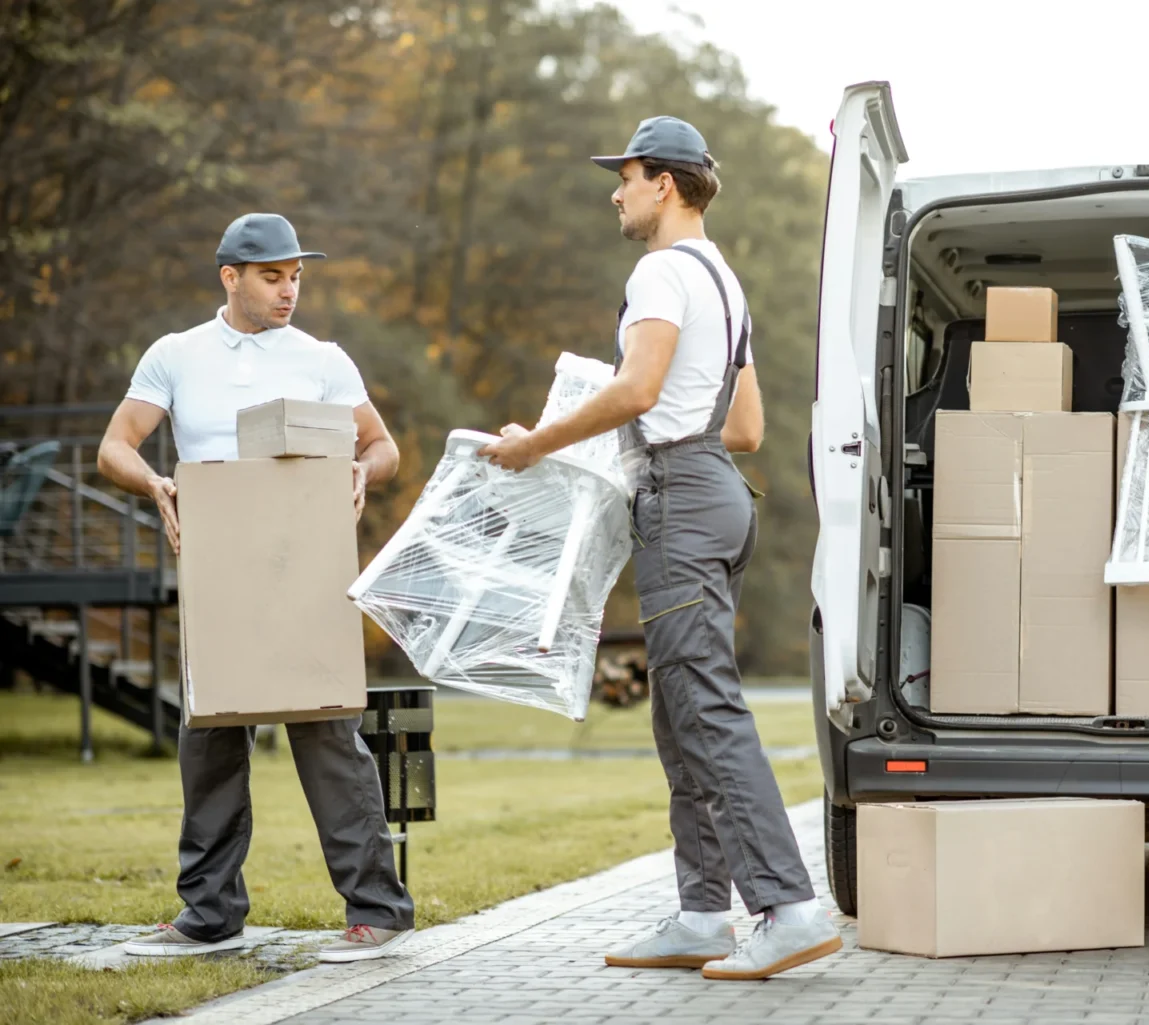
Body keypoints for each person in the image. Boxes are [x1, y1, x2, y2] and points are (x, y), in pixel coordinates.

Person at [479, 116, 840, 981]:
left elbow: (638, 387)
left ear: (665, 185)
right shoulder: (724, 282)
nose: (618, 190)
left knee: (704, 706)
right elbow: (747, 427)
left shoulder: (658, 272)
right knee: (679, 711)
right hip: (717, 489)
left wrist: (538, 443)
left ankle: (787, 907)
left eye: (628, 176)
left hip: (680, 498)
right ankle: (703, 912)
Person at [99, 213, 416, 963]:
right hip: (218, 571)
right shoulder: (177, 355)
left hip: (307, 569)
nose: (289, 289)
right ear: (230, 277)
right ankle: (209, 915)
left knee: (329, 734)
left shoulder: (322, 360)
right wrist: (154, 482)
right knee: (207, 738)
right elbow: (117, 442)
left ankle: (377, 910)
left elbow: (385, 447)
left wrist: (359, 471)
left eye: (297, 274)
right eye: (273, 275)